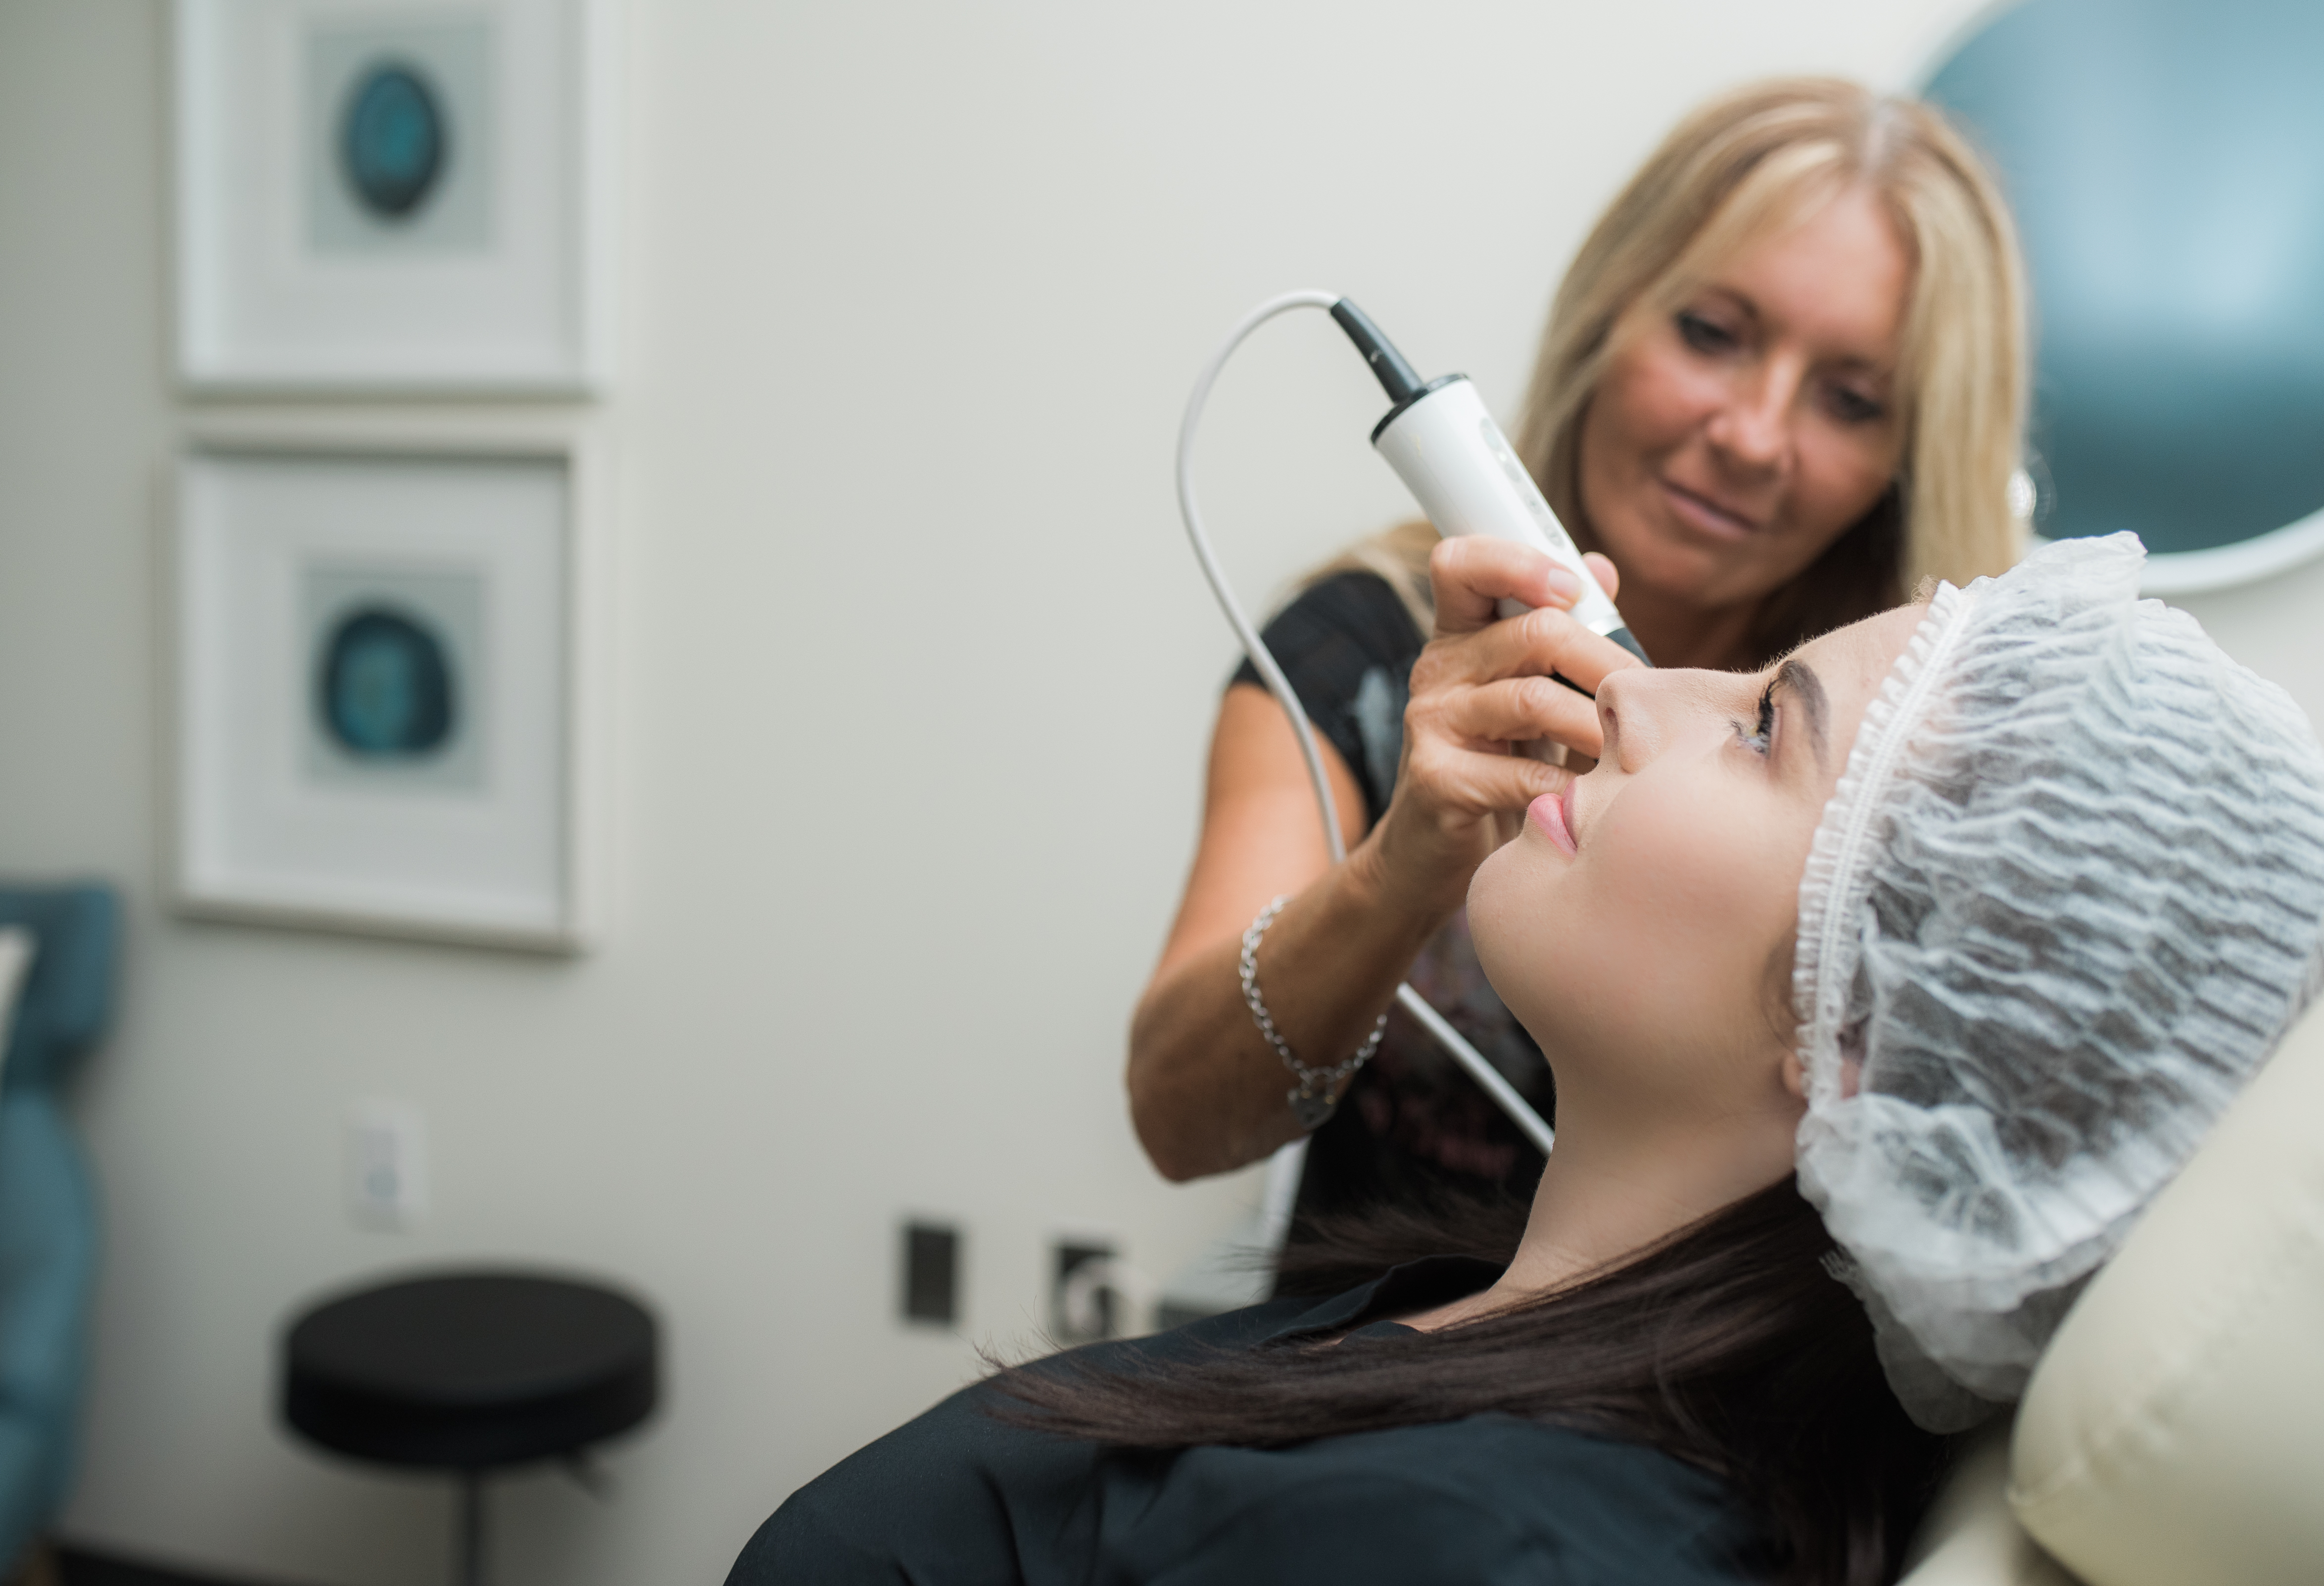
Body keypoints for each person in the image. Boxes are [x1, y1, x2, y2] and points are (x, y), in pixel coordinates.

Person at [731, 535, 2324, 1585]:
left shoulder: (1456, 1550)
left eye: (1767, 721)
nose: (1636, 690)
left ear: (1865, 1039)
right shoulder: (1477, 1335)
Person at [1130, 78, 2032, 1229]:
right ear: (1610, 315)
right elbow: (1177, 1115)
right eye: (1712, 335)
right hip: (1365, 1360)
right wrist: (1405, 863)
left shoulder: (1922, 759)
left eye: (1850, 400)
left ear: (1913, 455)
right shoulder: (1358, 654)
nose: (1753, 436)